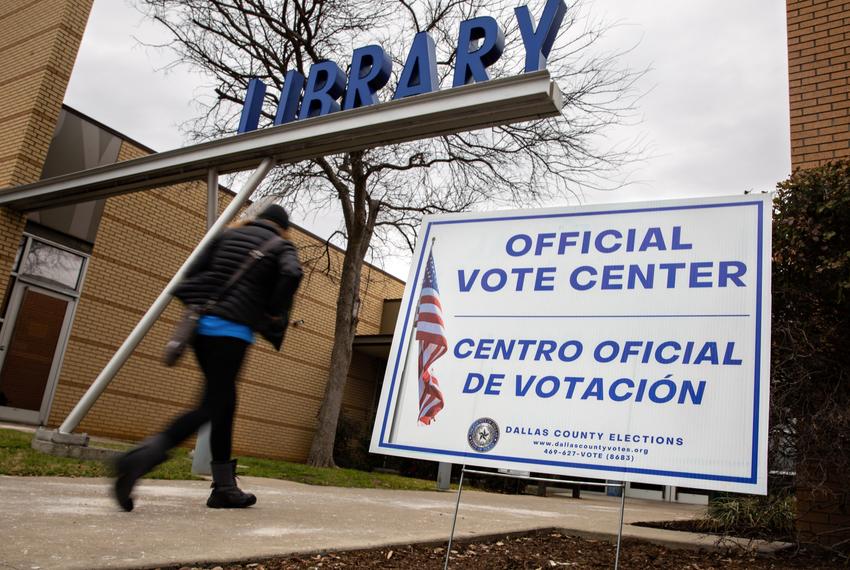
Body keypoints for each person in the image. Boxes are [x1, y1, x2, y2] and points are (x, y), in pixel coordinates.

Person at [113, 204, 302, 511]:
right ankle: (140, 459)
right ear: (283, 227)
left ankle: (224, 487)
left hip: (200, 328)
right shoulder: (281, 245)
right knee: (212, 404)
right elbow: (292, 273)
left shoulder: (226, 236)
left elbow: (192, 271)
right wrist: (271, 310)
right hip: (232, 333)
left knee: (224, 401)